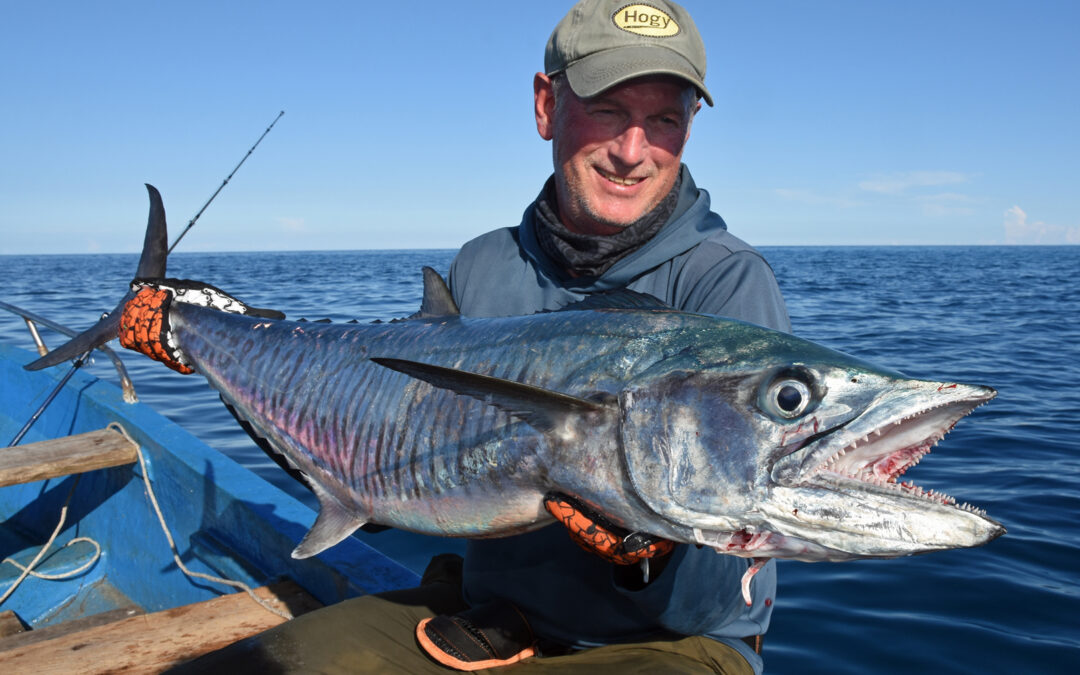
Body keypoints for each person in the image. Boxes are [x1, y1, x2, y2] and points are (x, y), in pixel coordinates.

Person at [164, 1, 790, 672]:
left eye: (664, 119)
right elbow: (398, 470)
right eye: (607, 110)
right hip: (488, 620)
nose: (632, 152)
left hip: (673, 643)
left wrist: (651, 555)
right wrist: (205, 331)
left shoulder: (725, 284)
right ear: (546, 106)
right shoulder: (484, 265)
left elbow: (734, 564)